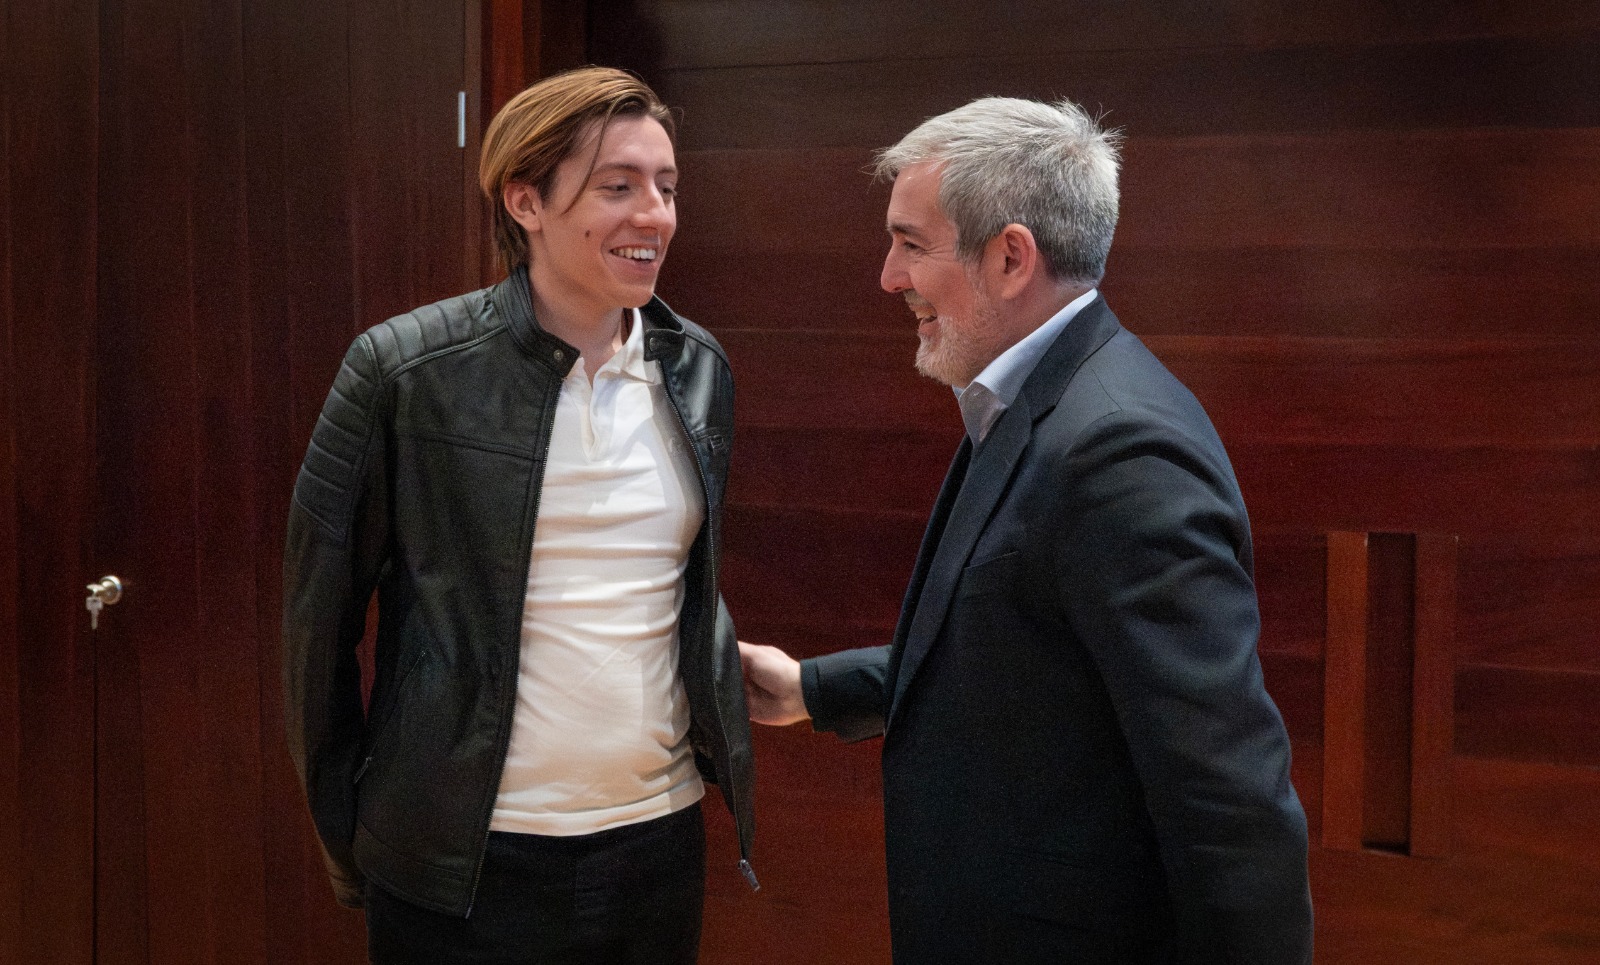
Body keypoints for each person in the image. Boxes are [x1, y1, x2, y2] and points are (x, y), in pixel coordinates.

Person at [740, 96, 1312, 964]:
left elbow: (1228, 799)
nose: (889, 277)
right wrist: (811, 689)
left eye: (911, 244)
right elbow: (1025, 660)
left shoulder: (1119, 449)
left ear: (1011, 257)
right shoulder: (1035, 401)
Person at [282, 66, 754, 965]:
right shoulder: (404, 372)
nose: (655, 214)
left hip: (657, 842)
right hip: (463, 858)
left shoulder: (698, 369)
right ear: (525, 200)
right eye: (617, 186)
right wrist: (353, 833)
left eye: (666, 187)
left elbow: (684, 587)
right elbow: (317, 629)